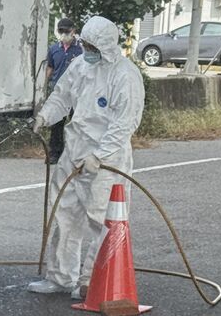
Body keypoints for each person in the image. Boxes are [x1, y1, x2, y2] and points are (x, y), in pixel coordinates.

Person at [28, 15, 145, 298]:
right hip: (75, 150)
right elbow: (62, 96)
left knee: (102, 219)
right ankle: (60, 277)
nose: (87, 51)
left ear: (105, 47)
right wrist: (45, 116)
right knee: (64, 215)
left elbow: (125, 122)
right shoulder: (81, 65)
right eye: (86, 45)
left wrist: (101, 155)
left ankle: (93, 280)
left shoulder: (124, 75)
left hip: (107, 160)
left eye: (92, 47)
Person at [43, 17, 82, 162]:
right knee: (56, 124)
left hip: (76, 93)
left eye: (67, 31)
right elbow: (50, 68)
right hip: (58, 93)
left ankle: (75, 153)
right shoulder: (54, 49)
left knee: (76, 123)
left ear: (73, 31)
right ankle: (55, 153)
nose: (64, 34)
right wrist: (44, 86)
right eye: (61, 31)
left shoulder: (81, 49)